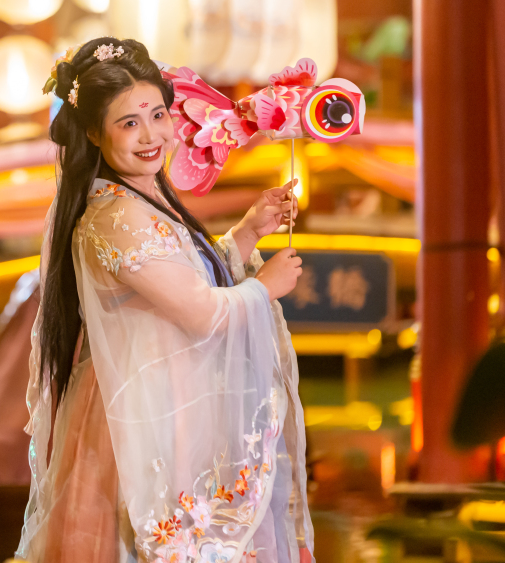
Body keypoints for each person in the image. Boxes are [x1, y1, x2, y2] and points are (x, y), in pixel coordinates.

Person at [17, 38, 313, 563]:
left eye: (158, 114)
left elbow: (177, 282)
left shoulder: (134, 196)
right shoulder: (115, 215)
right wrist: (264, 286)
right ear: (93, 132)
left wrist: (245, 235)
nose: (152, 134)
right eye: (129, 123)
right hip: (143, 417)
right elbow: (200, 312)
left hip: (168, 402)